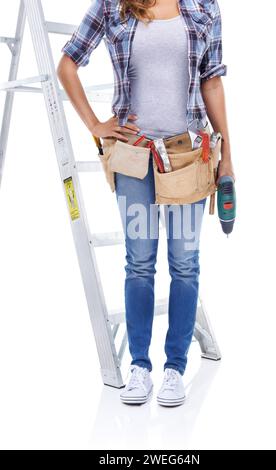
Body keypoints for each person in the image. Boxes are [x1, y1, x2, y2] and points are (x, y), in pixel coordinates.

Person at [57, 0, 235, 407]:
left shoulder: (204, 7)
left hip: (187, 158)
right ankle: (140, 366)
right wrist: (96, 125)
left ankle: (175, 368)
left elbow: (212, 81)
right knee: (138, 262)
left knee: (185, 263)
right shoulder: (113, 5)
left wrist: (228, 157)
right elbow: (68, 64)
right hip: (133, 158)